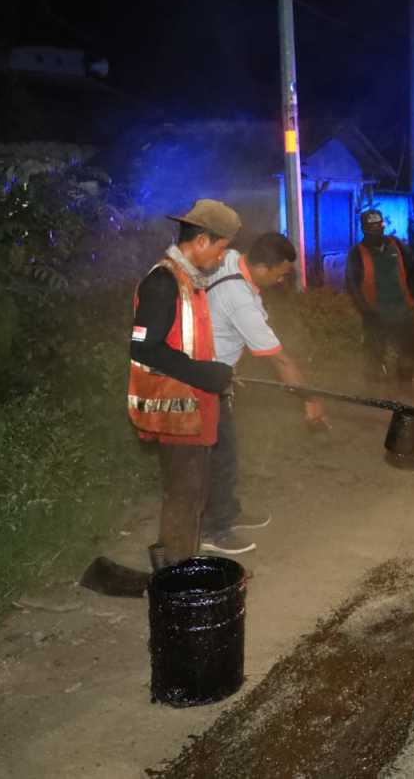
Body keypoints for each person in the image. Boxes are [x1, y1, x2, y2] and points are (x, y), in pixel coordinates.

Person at [197, 232, 326, 555]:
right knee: (220, 455)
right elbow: (280, 360)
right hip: (203, 380)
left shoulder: (230, 259)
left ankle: (227, 510)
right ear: (264, 268)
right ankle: (214, 529)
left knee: (225, 450)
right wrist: (309, 400)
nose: (283, 281)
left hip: (216, 369)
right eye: (281, 274)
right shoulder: (241, 301)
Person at [128, 199, 240, 565]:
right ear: (203, 241)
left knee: (194, 498)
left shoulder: (191, 282)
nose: (223, 258)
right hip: (178, 414)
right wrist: (205, 374)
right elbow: (144, 348)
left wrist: (217, 375)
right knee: (182, 499)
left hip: (198, 408)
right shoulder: (163, 283)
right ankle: (175, 581)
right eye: (223, 249)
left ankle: (181, 570)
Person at [345, 209, 414, 391]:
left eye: (378, 228)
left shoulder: (397, 245)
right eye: (371, 229)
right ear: (363, 229)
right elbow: (351, 284)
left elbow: (413, 268)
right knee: (374, 354)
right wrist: (364, 309)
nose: (376, 232)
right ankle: (375, 393)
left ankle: (405, 389)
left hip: (401, 309)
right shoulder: (356, 254)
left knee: (409, 348)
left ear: (383, 226)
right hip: (375, 313)